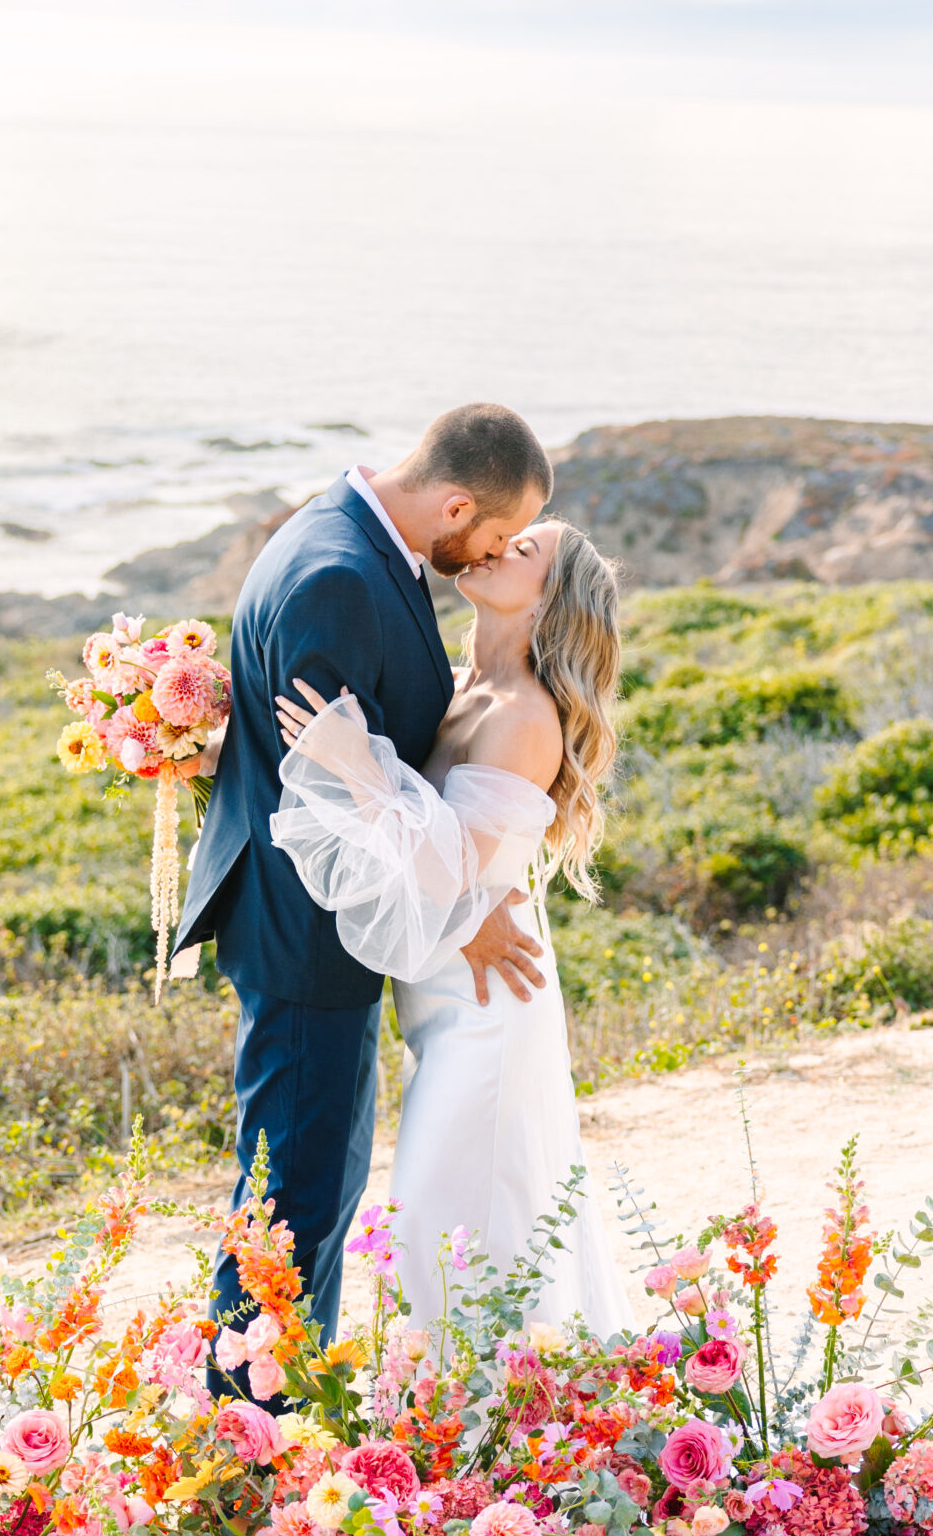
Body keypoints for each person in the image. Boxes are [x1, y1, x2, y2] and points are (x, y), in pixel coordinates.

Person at [173, 402, 554, 1359]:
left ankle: (271, 1427)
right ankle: (253, 1439)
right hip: (305, 936)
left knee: (307, 1192)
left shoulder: (343, 536)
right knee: (293, 1205)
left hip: (310, 928)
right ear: (457, 503)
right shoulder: (341, 576)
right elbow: (328, 800)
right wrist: (463, 913)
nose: (485, 559)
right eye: (494, 537)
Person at [271, 514, 626, 1335]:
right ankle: (493, 1425)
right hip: (439, 995)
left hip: (487, 1006)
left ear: (548, 601)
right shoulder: (462, 686)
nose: (497, 546)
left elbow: (444, 871)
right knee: (457, 1223)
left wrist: (357, 765)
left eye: (524, 550)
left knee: (442, 1217)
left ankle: (474, 1432)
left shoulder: (524, 716)